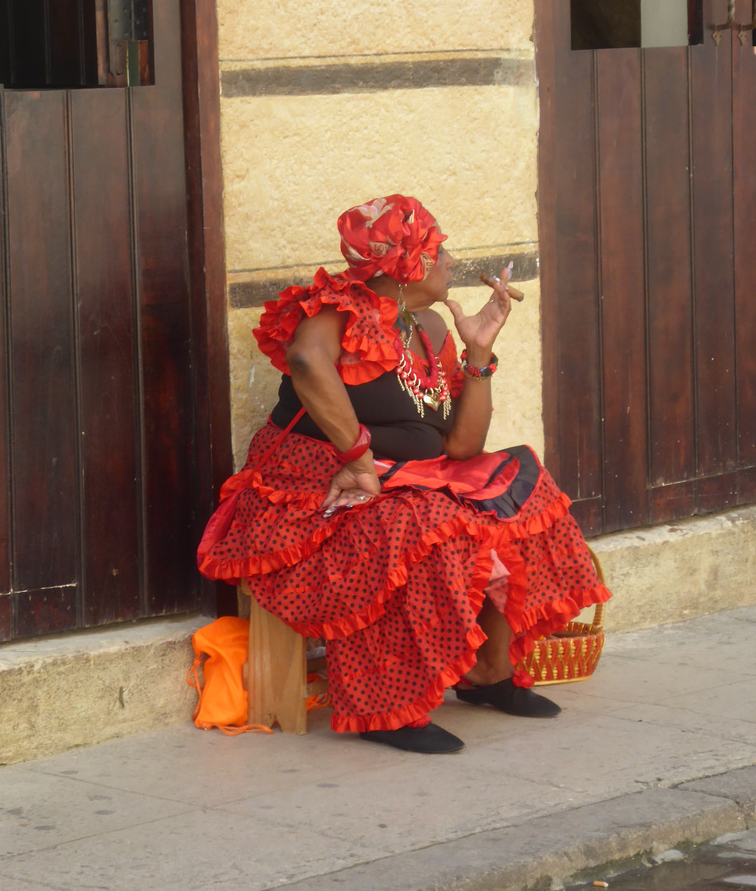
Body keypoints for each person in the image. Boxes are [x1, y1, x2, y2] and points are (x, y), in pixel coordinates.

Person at [198, 195, 610, 754]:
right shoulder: (338, 311)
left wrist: (479, 353)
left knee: (525, 491)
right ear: (405, 263)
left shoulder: (432, 326)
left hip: (413, 475)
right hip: (313, 486)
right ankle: (383, 708)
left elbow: (464, 444)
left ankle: (487, 673)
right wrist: (358, 455)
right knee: (423, 526)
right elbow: (304, 361)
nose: (451, 261)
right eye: (439, 249)